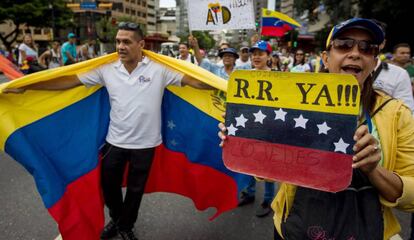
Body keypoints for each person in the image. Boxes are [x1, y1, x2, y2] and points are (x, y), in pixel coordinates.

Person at [4, 22, 213, 240]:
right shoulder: (107, 69)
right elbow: (68, 82)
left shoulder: (158, 69)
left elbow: (194, 82)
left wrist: (222, 86)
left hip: (146, 144)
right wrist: (29, 85)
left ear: (140, 44)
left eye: (126, 42)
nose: (120, 46)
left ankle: (125, 227)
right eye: (118, 41)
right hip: (115, 142)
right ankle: (117, 218)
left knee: (135, 190)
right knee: (109, 186)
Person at [219, 18, 414, 239]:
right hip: (293, 229)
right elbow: (266, 174)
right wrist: (246, 138)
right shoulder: (292, 102)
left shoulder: (397, 114)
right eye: (344, 44)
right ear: (326, 57)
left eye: (367, 48)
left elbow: (411, 196)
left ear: (374, 61)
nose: (355, 53)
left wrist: (374, 170)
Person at [237, 40, 275, 218]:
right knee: (249, 161)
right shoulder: (246, 76)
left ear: (269, 57)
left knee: (268, 164)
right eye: (254, 53)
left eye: (261, 53)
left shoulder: (279, 77)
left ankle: (268, 199)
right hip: (250, 126)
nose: (256, 57)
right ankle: (250, 192)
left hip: (270, 128)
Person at [371, 20, 414, 112]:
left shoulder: (399, 74)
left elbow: (407, 113)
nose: (366, 43)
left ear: (382, 43)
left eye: (373, 38)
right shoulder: (340, 70)